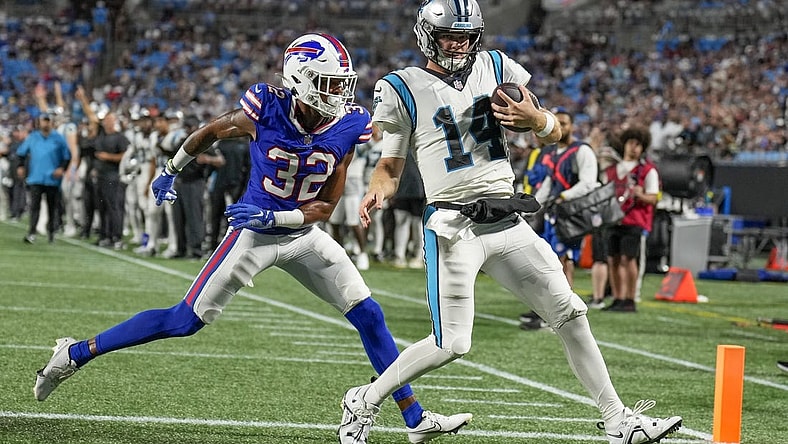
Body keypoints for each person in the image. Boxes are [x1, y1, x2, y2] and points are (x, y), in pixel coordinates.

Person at [33, 33, 469, 444]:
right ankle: (76, 352)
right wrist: (172, 169)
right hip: (253, 236)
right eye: (328, 82)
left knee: (369, 314)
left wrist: (274, 213)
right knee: (185, 320)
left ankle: (414, 419)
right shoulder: (266, 106)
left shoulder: (348, 124)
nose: (338, 93)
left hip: (300, 232)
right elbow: (210, 131)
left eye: (342, 83)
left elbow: (325, 207)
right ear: (299, 78)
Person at [343, 2, 682, 444]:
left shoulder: (497, 65)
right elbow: (389, 166)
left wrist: (536, 120)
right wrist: (377, 190)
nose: (459, 43)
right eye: (450, 35)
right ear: (427, 34)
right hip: (453, 225)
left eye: (466, 35)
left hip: (505, 218)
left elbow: (553, 132)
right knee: (452, 345)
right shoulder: (401, 86)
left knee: (571, 312)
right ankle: (364, 400)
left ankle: (618, 420)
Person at [521, 108, 599, 329]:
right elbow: (548, 183)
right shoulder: (553, 152)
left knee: (563, 262)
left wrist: (564, 195)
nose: (561, 127)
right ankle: (551, 308)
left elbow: (588, 182)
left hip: (571, 215)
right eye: (558, 123)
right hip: (554, 213)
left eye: (565, 123)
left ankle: (564, 312)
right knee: (551, 261)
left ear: (572, 126)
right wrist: (533, 204)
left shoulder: (582, 151)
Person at [603, 126, 659, 312]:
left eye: (638, 145)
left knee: (629, 259)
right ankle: (618, 297)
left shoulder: (647, 171)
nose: (634, 148)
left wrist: (640, 195)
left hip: (634, 221)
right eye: (631, 143)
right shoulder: (612, 169)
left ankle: (630, 298)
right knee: (613, 260)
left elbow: (653, 197)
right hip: (613, 220)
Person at [16, 113, 72, 244]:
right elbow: (21, 153)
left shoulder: (59, 138)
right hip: (36, 177)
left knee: (52, 207)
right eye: (43, 121)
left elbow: (67, 156)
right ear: (39, 122)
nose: (45, 124)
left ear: (51, 122)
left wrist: (61, 168)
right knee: (35, 206)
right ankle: (31, 233)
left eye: (48, 121)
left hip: (52, 178)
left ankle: (52, 233)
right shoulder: (33, 137)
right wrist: (20, 166)